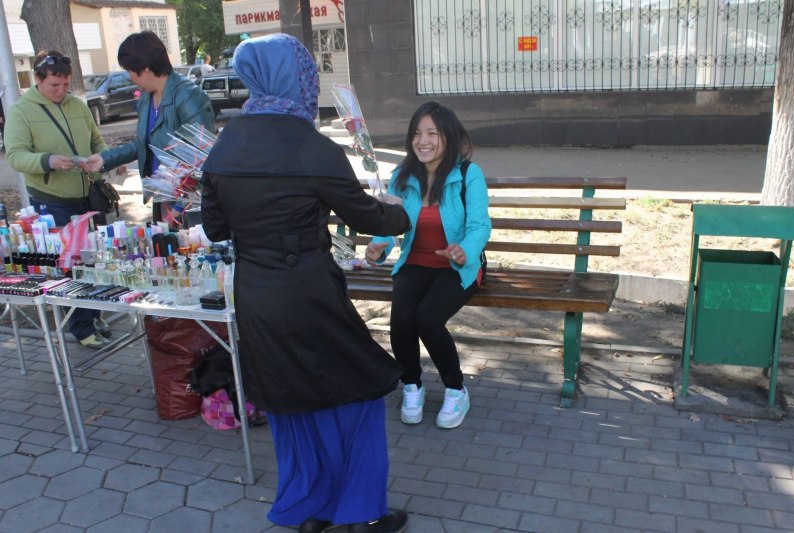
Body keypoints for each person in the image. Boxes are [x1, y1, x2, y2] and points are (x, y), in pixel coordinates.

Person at [200, 34, 411, 533]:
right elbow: (371, 218)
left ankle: (310, 509)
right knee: (358, 393)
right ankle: (360, 513)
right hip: (309, 295)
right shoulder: (313, 146)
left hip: (257, 296)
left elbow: (215, 228)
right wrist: (401, 211)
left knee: (290, 402)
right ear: (298, 79)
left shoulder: (225, 144)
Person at [365, 101, 491, 429]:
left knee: (428, 319)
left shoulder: (468, 174)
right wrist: (380, 244)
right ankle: (412, 385)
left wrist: (464, 250)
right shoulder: (402, 175)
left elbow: (480, 226)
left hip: (457, 266)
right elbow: (392, 222)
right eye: (417, 133)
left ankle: (456, 389)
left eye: (432, 133)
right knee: (401, 319)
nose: (423, 141)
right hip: (415, 262)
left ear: (448, 136)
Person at [4, 50, 111, 349]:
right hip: (53, 200)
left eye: (65, 84)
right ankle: (81, 327)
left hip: (88, 196)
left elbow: (97, 141)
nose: (61, 90)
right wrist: (48, 160)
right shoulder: (21, 111)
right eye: (54, 85)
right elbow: (15, 156)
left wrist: (102, 159)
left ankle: (95, 314)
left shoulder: (78, 105)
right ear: (38, 80)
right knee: (69, 266)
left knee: (94, 260)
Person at [84, 31, 214, 228]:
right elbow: (144, 143)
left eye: (129, 70)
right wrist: (105, 158)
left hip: (189, 203)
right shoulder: (147, 97)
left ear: (145, 68)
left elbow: (200, 158)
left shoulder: (189, 96)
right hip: (163, 196)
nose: (129, 77)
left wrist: (179, 209)